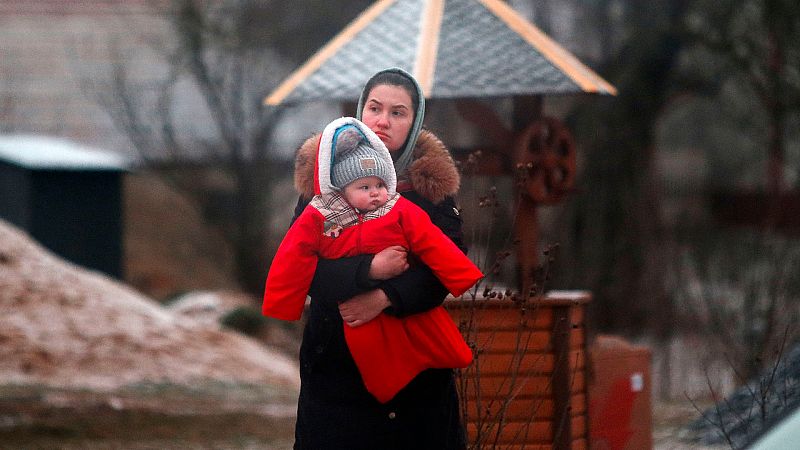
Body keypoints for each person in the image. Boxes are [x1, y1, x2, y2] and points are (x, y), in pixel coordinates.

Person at [284, 68, 471, 449]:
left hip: (414, 372)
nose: (383, 121)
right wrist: (368, 270)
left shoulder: (428, 187)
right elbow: (300, 268)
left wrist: (386, 298)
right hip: (337, 370)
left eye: (398, 112)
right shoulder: (322, 182)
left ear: (414, 122)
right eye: (375, 108)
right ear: (360, 112)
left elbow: (443, 271)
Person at [262, 117, 481, 403]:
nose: (375, 193)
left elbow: (431, 241)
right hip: (349, 324)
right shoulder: (320, 214)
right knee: (374, 361)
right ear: (343, 189)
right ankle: (385, 385)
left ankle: (453, 354)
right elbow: (293, 254)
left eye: (379, 184)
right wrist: (283, 303)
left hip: (407, 310)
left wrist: (462, 274)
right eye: (364, 187)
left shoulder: (398, 208)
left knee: (439, 338)